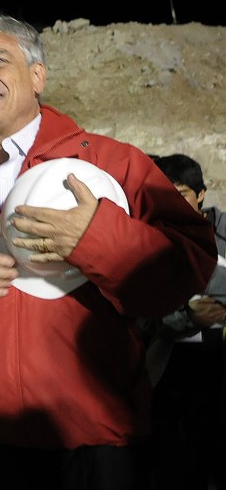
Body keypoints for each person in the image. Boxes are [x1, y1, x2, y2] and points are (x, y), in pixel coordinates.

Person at [0, 10, 218, 490]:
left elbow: (189, 263)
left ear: (37, 76)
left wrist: (96, 239)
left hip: (92, 443)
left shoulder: (112, 163)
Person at [146, 153, 226, 489]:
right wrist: (183, 318)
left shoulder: (222, 237)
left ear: (201, 194)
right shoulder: (146, 240)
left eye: (181, 194)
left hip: (217, 360)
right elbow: (138, 311)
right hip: (167, 365)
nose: (174, 204)